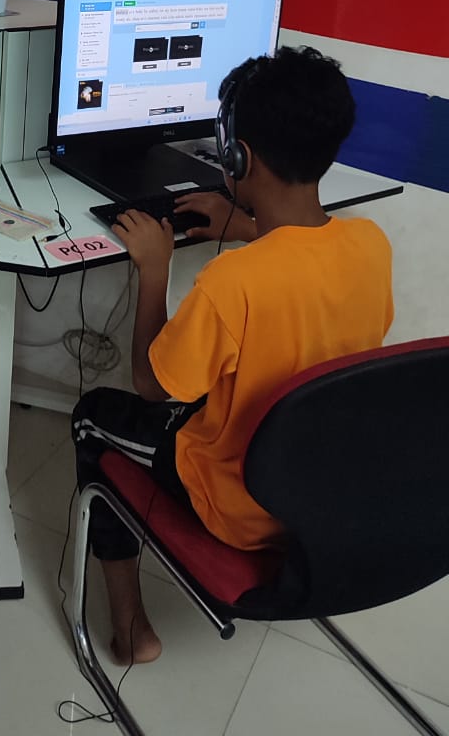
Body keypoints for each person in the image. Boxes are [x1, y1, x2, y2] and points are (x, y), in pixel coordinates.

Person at [72, 46, 393, 665]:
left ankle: (131, 630)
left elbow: (151, 384)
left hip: (239, 504)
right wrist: (248, 225)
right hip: (319, 491)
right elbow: (303, 281)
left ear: (236, 156)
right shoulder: (370, 244)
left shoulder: (234, 282)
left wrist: (155, 270)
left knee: (93, 415)